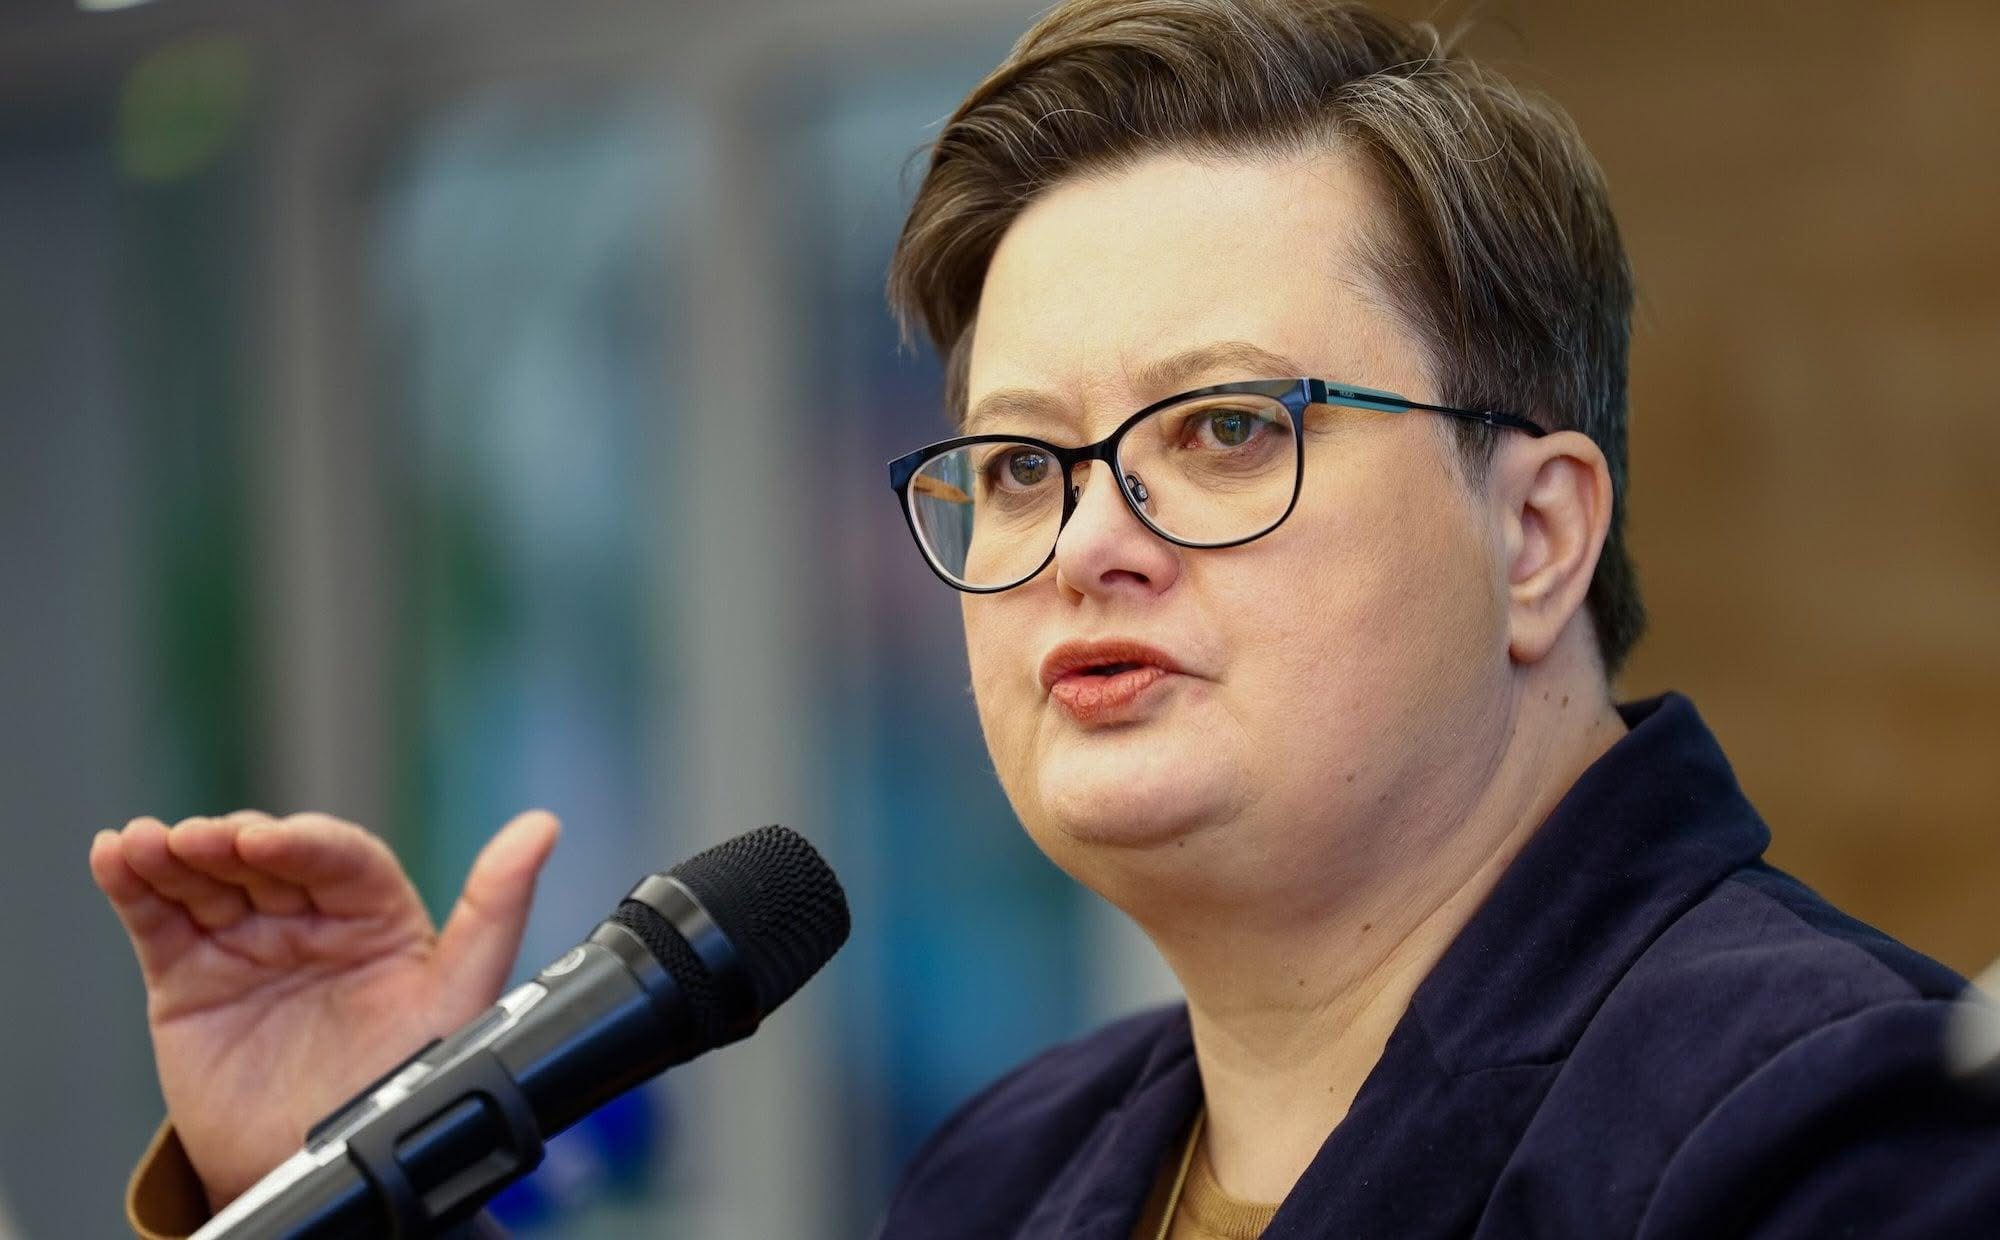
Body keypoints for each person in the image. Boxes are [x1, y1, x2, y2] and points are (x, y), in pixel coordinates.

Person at [93, 1, 2000, 1236]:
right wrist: (360, 1174)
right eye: (1019, 464)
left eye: (1225, 429)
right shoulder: (1012, 1171)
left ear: (1536, 533)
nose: (1088, 544)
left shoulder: (1841, 1133)